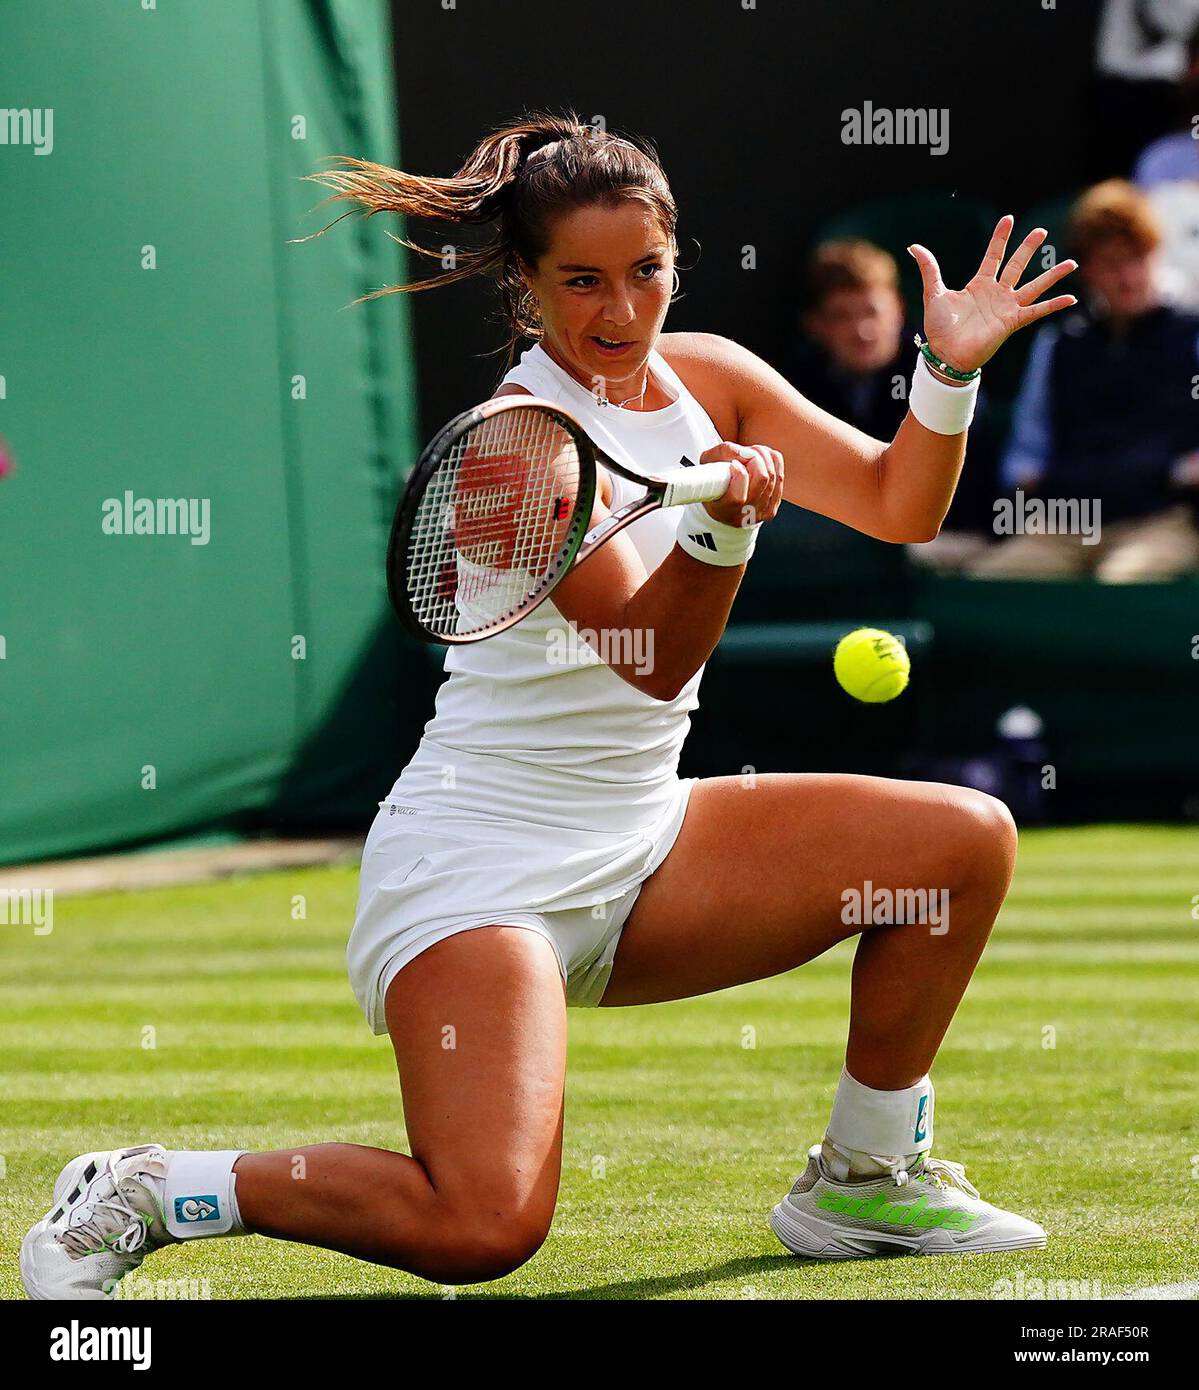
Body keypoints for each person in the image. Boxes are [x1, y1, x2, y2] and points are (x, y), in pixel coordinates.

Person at [21, 112, 1078, 1298]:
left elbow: (900, 503)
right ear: (525, 285)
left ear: (678, 263)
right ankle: (159, 1185)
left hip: (643, 843)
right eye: (580, 281)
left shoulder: (713, 379)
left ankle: (865, 1177)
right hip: (480, 869)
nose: (619, 312)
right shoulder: (516, 453)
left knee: (957, 844)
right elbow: (651, 658)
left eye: (645, 273)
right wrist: (725, 527)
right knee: (481, 1228)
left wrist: (947, 373)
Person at [973, 180, 1199, 581]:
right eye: (1112, 264)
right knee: (992, 581)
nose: (1128, 277)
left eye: (1138, 258)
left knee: (1118, 584)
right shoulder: (1059, 345)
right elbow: (1025, 459)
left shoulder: (1192, 335)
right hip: (1063, 527)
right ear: (1088, 271)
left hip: (1161, 523)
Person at [791, 239, 1001, 570]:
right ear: (815, 326)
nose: (862, 330)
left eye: (872, 311)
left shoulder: (941, 372)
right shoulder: (798, 382)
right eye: (842, 316)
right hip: (849, 543)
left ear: (899, 311)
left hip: (956, 538)